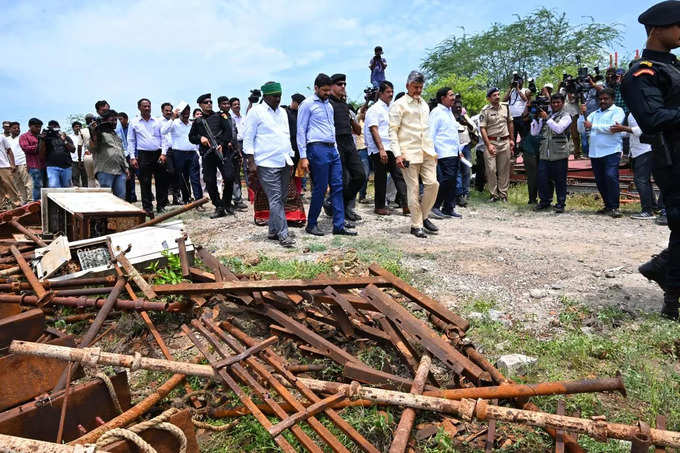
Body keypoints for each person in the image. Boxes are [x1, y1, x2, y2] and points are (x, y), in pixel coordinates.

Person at [621, 0, 680, 319]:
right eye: (678, 25)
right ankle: (673, 304)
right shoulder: (641, 73)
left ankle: (660, 266)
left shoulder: (674, 67)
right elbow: (653, 117)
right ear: (657, 29)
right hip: (673, 159)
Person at [243, 81, 302, 248]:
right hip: (266, 162)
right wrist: (251, 161)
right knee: (275, 198)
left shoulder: (282, 112)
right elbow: (248, 137)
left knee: (282, 198)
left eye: (279, 96)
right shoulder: (256, 112)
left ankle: (272, 230)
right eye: (275, 96)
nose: (278, 99)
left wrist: (291, 156)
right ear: (265, 96)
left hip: (284, 160)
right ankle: (283, 234)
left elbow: (286, 134)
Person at [297, 73, 356, 236]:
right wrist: (303, 156)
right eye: (324, 90)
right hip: (316, 148)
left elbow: (332, 129)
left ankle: (339, 225)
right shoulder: (307, 104)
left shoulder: (329, 105)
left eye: (329, 90)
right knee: (321, 188)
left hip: (332, 149)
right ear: (316, 88)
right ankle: (312, 224)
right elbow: (301, 131)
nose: (327, 93)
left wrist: (335, 148)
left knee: (338, 186)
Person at [389, 70, 439, 238]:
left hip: (427, 152)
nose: (418, 90)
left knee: (433, 184)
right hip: (408, 153)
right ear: (407, 86)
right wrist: (398, 154)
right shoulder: (399, 105)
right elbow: (393, 132)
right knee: (414, 189)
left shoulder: (424, 104)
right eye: (415, 87)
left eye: (420, 87)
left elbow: (427, 130)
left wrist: (433, 152)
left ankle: (423, 216)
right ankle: (415, 225)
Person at [577, 88, 625, 218]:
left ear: (612, 99)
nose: (602, 101)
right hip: (595, 152)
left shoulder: (618, 111)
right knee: (600, 180)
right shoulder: (594, 113)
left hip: (611, 151)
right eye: (601, 99)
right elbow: (580, 128)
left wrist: (593, 126)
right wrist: (582, 114)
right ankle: (608, 205)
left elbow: (613, 128)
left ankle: (615, 206)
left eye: (606, 99)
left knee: (610, 177)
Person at [189, 93, 236, 218]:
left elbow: (228, 132)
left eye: (210, 102)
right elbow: (191, 137)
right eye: (206, 102)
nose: (209, 104)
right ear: (200, 105)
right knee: (210, 181)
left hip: (222, 152)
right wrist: (201, 138)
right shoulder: (198, 122)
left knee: (230, 177)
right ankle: (218, 206)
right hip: (208, 155)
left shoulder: (220, 116)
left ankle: (226, 203)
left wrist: (222, 143)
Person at [327, 74, 366, 222]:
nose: (343, 86)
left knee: (360, 176)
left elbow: (357, 130)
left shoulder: (345, 105)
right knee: (342, 181)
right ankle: (342, 210)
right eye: (339, 84)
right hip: (336, 144)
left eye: (344, 84)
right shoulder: (327, 104)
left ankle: (338, 204)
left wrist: (351, 117)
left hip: (349, 144)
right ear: (331, 87)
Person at [365, 80, 407, 216]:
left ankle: (406, 204)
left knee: (398, 174)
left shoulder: (392, 108)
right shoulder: (374, 109)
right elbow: (374, 130)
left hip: (392, 146)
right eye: (388, 92)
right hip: (379, 148)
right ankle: (379, 206)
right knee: (381, 177)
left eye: (392, 91)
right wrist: (381, 149)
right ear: (381, 93)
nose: (391, 94)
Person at [611, 113, 661, 219]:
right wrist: (619, 130)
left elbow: (644, 130)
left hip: (646, 149)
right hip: (635, 151)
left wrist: (623, 128)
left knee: (641, 180)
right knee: (644, 180)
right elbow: (631, 133)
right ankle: (653, 206)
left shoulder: (645, 111)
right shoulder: (632, 113)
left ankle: (647, 210)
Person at [532, 93, 573, 213]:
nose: (555, 104)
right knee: (543, 179)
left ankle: (560, 203)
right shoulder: (547, 115)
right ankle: (544, 201)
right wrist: (536, 119)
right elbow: (534, 133)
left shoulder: (566, 116)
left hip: (559, 153)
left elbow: (559, 129)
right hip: (545, 153)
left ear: (562, 103)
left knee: (560, 180)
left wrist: (547, 119)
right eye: (553, 102)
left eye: (558, 102)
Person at [128, 98, 168, 216]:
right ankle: (147, 207)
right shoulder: (134, 122)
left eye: (148, 106)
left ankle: (161, 205)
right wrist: (132, 157)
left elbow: (164, 137)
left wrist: (164, 153)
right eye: (144, 106)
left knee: (161, 181)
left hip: (158, 153)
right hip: (143, 155)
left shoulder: (157, 121)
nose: (147, 108)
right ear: (139, 108)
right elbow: (131, 140)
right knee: (145, 181)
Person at [430, 87, 463, 219]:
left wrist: (459, 150)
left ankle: (449, 208)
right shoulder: (436, 112)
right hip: (443, 152)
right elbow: (431, 133)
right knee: (446, 180)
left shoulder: (449, 112)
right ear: (443, 98)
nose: (453, 97)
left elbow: (453, 134)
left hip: (453, 152)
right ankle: (435, 205)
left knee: (453, 181)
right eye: (450, 95)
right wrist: (432, 152)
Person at [163, 103, 203, 205]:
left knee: (195, 178)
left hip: (192, 153)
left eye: (187, 112)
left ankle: (199, 201)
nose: (186, 114)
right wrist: (172, 118)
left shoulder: (192, 124)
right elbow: (163, 131)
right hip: (179, 154)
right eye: (183, 112)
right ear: (179, 113)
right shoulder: (174, 123)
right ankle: (186, 199)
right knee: (183, 179)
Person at [480, 87, 515, 202]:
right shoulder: (485, 111)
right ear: (489, 98)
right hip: (492, 142)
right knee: (491, 169)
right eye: (494, 95)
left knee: (504, 169)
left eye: (498, 94)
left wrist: (511, 139)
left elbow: (510, 123)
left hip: (504, 142)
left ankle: (503, 195)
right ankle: (494, 195)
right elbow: (483, 128)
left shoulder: (505, 108)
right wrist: (489, 145)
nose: (497, 97)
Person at [88, 110, 129, 198]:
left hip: (119, 170)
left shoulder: (116, 135)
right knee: (107, 197)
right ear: (104, 121)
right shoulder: (99, 134)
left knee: (121, 197)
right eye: (112, 120)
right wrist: (93, 133)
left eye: (115, 120)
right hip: (105, 170)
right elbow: (92, 148)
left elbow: (121, 152)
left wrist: (126, 167)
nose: (114, 122)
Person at [453, 98, 476, 207]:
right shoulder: (449, 117)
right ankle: (459, 194)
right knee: (457, 171)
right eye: (456, 106)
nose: (458, 108)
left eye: (459, 106)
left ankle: (466, 193)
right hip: (453, 147)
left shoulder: (464, 116)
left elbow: (474, 128)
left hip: (465, 146)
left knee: (466, 170)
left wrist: (465, 122)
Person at [40, 120, 74, 188]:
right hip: (52, 167)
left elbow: (73, 150)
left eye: (55, 126)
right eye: (51, 126)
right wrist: (42, 139)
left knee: (67, 188)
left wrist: (64, 140)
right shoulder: (46, 139)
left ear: (59, 127)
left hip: (66, 166)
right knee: (53, 187)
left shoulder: (66, 137)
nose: (53, 128)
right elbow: (41, 154)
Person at [521, 95, 541, 204]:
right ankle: (532, 199)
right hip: (529, 150)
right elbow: (521, 120)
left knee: (543, 176)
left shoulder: (545, 117)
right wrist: (527, 108)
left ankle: (545, 199)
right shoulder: (527, 118)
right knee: (532, 176)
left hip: (542, 150)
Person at [19, 118, 45, 201]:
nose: (39, 129)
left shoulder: (42, 136)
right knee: (36, 187)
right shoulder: (24, 136)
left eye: (40, 127)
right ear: (30, 126)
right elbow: (26, 148)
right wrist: (40, 144)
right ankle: (36, 206)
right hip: (34, 166)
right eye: (36, 126)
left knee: (45, 187)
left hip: (44, 165)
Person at [7, 122, 31, 205]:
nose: (17, 129)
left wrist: (28, 163)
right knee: (18, 185)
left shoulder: (23, 137)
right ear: (10, 129)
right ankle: (23, 203)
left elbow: (27, 151)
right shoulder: (7, 140)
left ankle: (31, 201)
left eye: (18, 128)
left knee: (28, 183)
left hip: (23, 163)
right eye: (14, 128)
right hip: (13, 165)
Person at [117, 112, 137, 202]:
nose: (119, 121)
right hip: (125, 155)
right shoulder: (118, 129)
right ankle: (130, 196)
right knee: (129, 176)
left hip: (134, 155)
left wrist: (135, 155)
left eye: (120, 119)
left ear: (126, 119)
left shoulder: (132, 127)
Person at [503, 77, 528, 145]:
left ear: (521, 83)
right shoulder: (511, 91)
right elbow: (504, 100)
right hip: (511, 118)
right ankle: (514, 151)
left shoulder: (524, 90)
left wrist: (518, 89)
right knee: (513, 136)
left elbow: (525, 99)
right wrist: (510, 88)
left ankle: (524, 150)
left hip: (521, 117)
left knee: (523, 135)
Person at [0, 133, 20, 207]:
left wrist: (13, 164)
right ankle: (2, 208)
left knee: (10, 187)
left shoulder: (1, 137)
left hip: (3, 165)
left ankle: (17, 204)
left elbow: (9, 150)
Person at [69, 121, 87, 187]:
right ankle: (76, 194)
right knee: (75, 178)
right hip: (74, 160)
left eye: (79, 126)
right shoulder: (69, 137)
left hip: (84, 160)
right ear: (73, 128)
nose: (78, 128)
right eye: (76, 126)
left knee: (85, 179)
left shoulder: (85, 136)